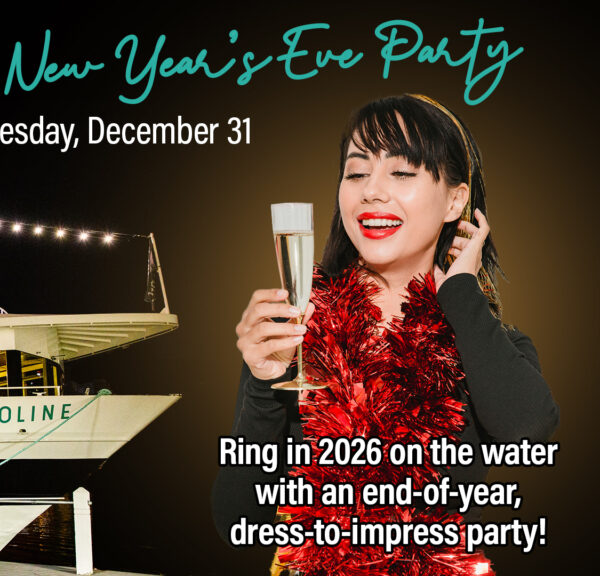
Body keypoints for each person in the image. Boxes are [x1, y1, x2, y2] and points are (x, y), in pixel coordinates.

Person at [212, 95, 559, 574]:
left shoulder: (487, 344)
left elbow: (527, 430)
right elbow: (238, 520)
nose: (371, 192)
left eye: (401, 172)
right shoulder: (294, 334)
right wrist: (263, 383)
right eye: (356, 173)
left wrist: (460, 292)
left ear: (454, 200)